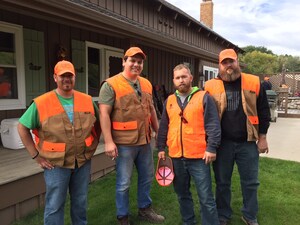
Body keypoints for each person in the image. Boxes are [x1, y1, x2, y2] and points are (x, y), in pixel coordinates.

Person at [18, 60, 100, 225]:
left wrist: (92, 146)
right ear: (55, 77)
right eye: (63, 76)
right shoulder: (42, 103)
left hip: (82, 162)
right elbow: (22, 127)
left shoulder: (87, 100)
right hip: (55, 164)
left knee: (80, 202)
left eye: (70, 75)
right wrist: (36, 156)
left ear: (74, 77)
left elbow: (99, 123)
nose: (67, 79)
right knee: (55, 205)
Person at [99, 47, 164, 225]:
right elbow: (104, 114)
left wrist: (159, 133)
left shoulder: (147, 84)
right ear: (124, 61)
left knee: (147, 177)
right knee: (123, 182)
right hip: (124, 144)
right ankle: (123, 217)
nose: (136, 64)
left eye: (139, 62)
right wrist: (109, 141)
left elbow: (151, 110)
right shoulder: (110, 85)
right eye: (132, 61)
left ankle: (144, 209)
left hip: (145, 141)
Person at [204, 49, 271, 225]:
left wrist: (262, 137)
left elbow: (264, 111)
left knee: (250, 182)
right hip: (222, 144)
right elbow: (204, 115)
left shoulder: (254, 81)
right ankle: (223, 215)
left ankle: (249, 215)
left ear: (237, 61)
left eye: (231, 61)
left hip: (247, 143)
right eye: (224, 62)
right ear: (219, 65)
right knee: (222, 182)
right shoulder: (209, 86)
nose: (228, 66)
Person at [157, 64, 221, 225]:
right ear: (174, 80)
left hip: (199, 157)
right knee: (182, 194)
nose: (181, 80)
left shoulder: (204, 97)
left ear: (191, 78)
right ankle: (188, 222)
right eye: (178, 78)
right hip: (176, 157)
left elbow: (213, 125)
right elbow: (164, 126)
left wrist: (211, 147)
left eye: (184, 77)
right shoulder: (170, 100)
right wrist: (160, 148)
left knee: (206, 197)